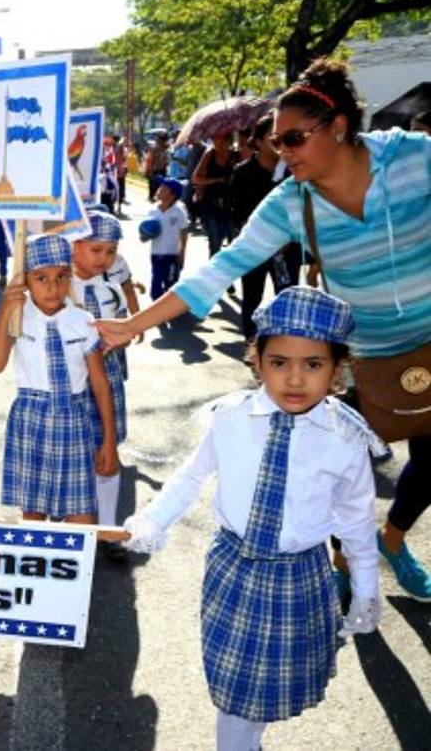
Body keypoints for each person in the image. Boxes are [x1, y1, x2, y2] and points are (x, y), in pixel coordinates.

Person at [101, 59, 431, 600]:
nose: (283, 152)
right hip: (360, 360)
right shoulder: (289, 204)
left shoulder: (415, 160)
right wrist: (131, 324)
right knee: (343, 473)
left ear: (339, 126)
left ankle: (392, 538)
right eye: (277, 142)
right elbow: (218, 270)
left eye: (295, 138)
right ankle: (348, 564)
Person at [122, 288, 382, 750]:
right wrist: (153, 519)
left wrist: (365, 589)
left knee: (262, 692)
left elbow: (357, 519)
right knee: (235, 696)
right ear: (256, 360)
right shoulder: (231, 417)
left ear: (338, 367)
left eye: (313, 364)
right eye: (279, 362)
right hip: (234, 570)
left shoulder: (344, 437)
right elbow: (191, 475)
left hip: (299, 577)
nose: (295, 379)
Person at [0, 234, 119, 524]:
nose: (53, 287)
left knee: (81, 518)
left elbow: (100, 385)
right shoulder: (18, 317)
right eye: (41, 278)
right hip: (31, 420)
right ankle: (36, 566)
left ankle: (75, 567)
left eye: (61, 276)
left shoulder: (82, 321)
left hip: (74, 421)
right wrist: (5, 309)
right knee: (34, 516)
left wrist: (108, 441)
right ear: (25, 281)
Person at [72, 212, 130, 559]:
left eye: (110, 252)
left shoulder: (109, 289)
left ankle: (107, 530)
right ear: (74, 245)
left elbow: (128, 329)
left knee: (107, 453)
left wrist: (118, 338)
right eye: (96, 249)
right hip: (72, 386)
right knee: (74, 455)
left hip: (106, 380)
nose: (103, 259)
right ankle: (74, 525)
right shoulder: (59, 287)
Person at [230, 118, 301, 340]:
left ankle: (286, 345)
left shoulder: (293, 172)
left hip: (287, 249)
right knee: (252, 297)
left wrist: (288, 239)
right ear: (258, 141)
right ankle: (253, 345)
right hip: (255, 248)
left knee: (288, 297)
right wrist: (259, 237)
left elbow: (302, 209)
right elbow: (236, 211)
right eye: (273, 136)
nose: (279, 142)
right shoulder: (243, 172)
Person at [192, 133, 242, 296]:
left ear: (229, 141)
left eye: (222, 141)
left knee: (233, 244)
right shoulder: (209, 154)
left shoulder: (237, 155)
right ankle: (217, 281)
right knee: (215, 243)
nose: (218, 144)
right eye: (215, 141)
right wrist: (214, 180)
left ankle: (225, 277)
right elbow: (196, 178)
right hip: (210, 206)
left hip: (231, 207)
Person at [142, 177, 189, 301]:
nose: (159, 190)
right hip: (156, 253)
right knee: (156, 279)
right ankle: (156, 305)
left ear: (172, 194)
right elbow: (146, 230)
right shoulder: (153, 210)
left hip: (172, 254)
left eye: (164, 188)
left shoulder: (179, 212)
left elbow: (184, 231)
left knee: (171, 282)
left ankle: (169, 305)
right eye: (160, 187)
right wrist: (144, 236)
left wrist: (182, 251)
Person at [143, 132, 170, 202]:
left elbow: (167, 160)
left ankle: (154, 196)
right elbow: (149, 159)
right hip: (154, 169)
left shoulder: (168, 148)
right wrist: (148, 170)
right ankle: (151, 196)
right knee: (152, 183)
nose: (158, 141)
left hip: (163, 169)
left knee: (159, 184)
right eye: (159, 140)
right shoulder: (154, 148)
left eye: (160, 140)